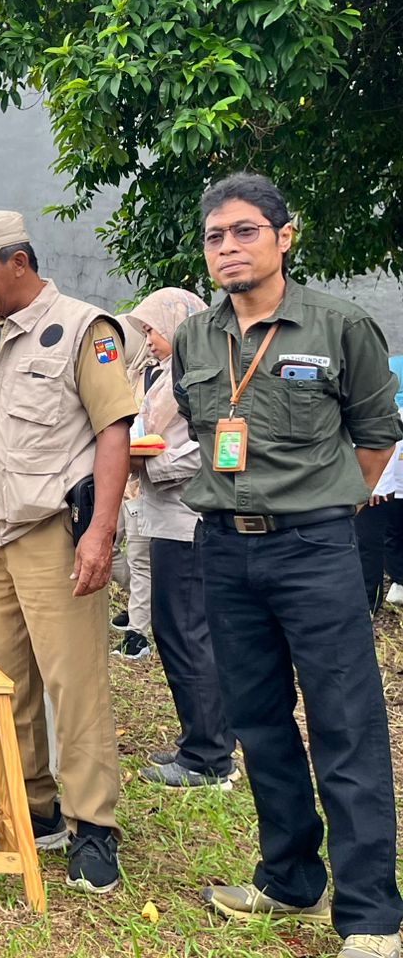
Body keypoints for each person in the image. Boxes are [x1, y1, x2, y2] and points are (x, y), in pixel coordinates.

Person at [172, 173, 403, 957]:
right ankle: (288, 880)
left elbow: (376, 435)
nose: (228, 248)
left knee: (346, 723)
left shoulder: (339, 326)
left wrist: (322, 505)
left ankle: (372, 916)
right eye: (214, 237)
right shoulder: (195, 338)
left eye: (244, 231)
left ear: (283, 236)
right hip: (225, 547)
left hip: (316, 549)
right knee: (260, 721)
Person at [0, 209, 136, 895]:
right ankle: (29, 805)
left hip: (51, 531)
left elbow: (114, 431)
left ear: (17, 259)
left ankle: (92, 824)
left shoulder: (86, 329)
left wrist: (101, 532)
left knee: (72, 684)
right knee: (1, 684)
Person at [122, 287, 234, 789]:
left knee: (187, 635)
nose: (149, 339)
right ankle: (200, 741)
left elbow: (207, 449)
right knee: (174, 632)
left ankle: (209, 755)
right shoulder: (166, 374)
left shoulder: (202, 375)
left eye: (154, 329)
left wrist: (154, 463)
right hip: (164, 515)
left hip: (188, 518)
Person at [109, 314, 155, 660]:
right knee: (107, 545)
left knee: (140, 557)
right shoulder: (129, 374)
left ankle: (139, 630)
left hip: (143, 479)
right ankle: (145, 602)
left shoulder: (159, 377)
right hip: (120, 478)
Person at [358, 356, 403, 612]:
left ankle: (373, 599)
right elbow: (378, 436)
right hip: (383, 480)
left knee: (379, 536)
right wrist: (375, 484)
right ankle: (370, 601)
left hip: (382, 479)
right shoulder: (389, 368)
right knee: (377, 537)